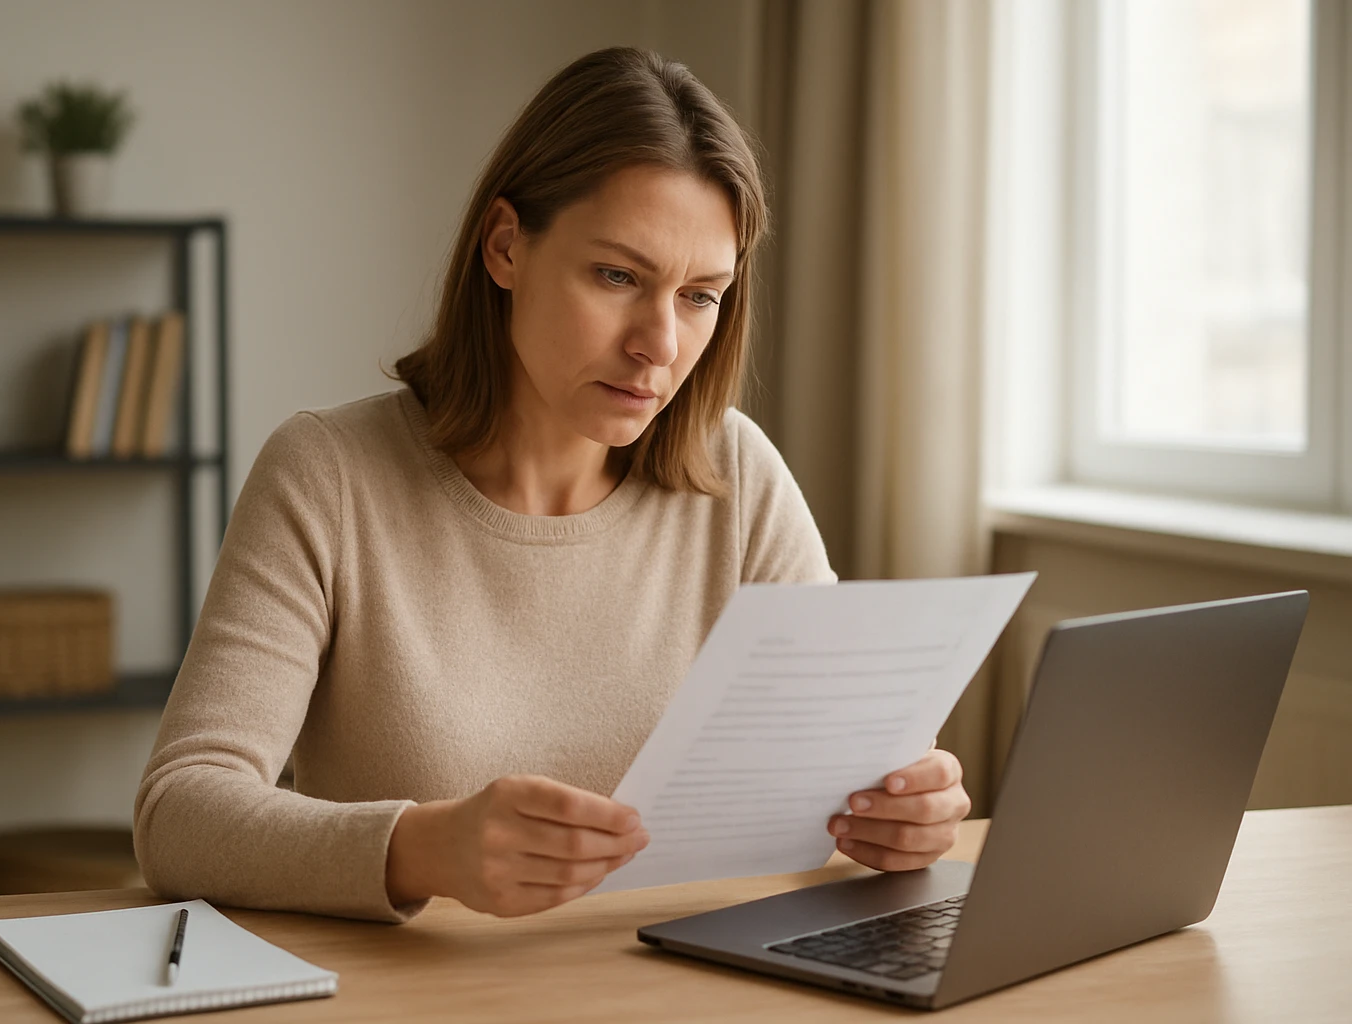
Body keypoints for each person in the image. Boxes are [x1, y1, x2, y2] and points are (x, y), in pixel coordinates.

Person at [133, 46, 970, 924]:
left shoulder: (740, 477)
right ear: (505, 247)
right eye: (618, 277)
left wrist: (904, 811)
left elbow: (850, 766)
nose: (660, 343)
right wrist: (425, 848)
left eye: (700, 296)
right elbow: (180, 814)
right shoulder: (327, 476)